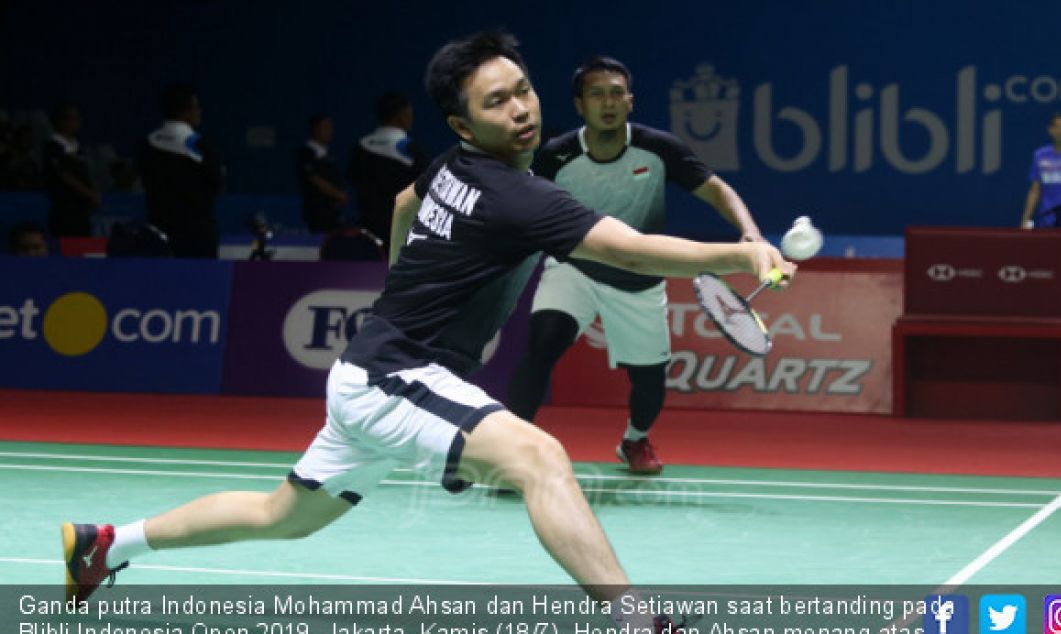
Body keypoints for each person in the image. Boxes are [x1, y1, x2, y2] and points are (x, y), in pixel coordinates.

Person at [62, 33, 792, 622]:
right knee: (540, 459)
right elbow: (628, 249)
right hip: (394, 375)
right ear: (463, 121)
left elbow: (408, 202)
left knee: (282, 516)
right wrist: (743, 250)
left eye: (524, 91)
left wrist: (397, 278)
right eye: (497, 101)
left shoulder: (451, 166)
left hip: (372, 369)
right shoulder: (518, 194)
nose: (520, 111)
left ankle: (103, 544)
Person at [507, 56, 767, 474]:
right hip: (573, 267)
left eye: (615, 93)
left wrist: (750, 233)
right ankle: (511, 449)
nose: (607, 103)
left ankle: (634, 440)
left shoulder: (659, 149)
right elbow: (517, 205)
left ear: (630, 101)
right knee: (543, 343)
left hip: (639, 280)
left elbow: (717, 190)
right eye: (596, 95)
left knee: (649, 379)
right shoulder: (556, 156)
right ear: (579, 105)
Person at [138, 84, 225, 258]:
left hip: (159, 229)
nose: (199, 111)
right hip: (197, 234)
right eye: (196, 107)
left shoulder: (148, 143)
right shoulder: (199, 146)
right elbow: (218, 183)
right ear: (186, 112)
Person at [347, 91, 427, 248]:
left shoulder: (361, 146)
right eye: (409, 113)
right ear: (401, 116)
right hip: (401, 233)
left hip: (367, 232)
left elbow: (353, 178)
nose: (411, 118)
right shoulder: (409, 149)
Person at [43, 104, 99, 237]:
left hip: (81, 211)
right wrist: (89, 193)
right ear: (63, 121)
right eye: (74, 119)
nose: (78, 123)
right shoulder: (53, 146)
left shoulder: (77, 147)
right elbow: (63, 175)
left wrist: (93, 194)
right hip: (64, 210)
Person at [296, 114, 348, 233]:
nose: (329, 131)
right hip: (317, 211)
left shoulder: (328, 154)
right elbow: (313, 178)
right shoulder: (306, 153)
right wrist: (338, 194)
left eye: (330, 128)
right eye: (325, 127)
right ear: (315, 129)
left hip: (333, 211)